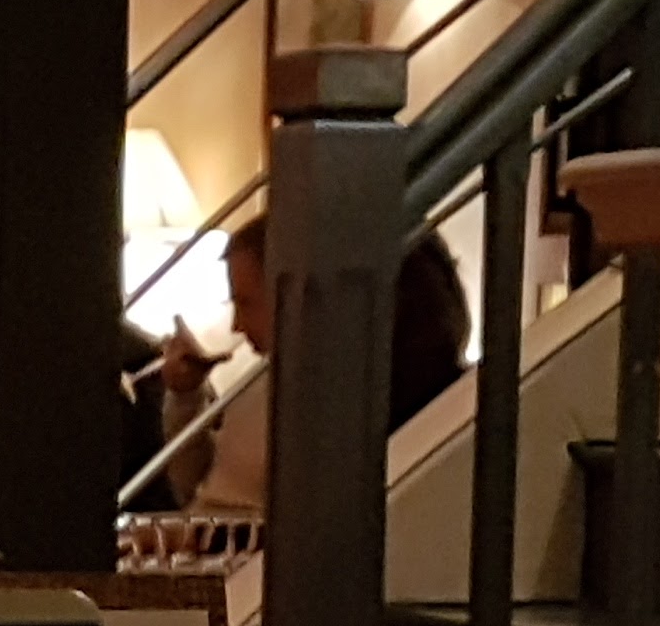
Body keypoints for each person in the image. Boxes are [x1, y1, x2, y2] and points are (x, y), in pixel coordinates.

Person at [155, 216, 475, 513]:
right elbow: (196, 486)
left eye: (246, 303)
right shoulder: (265, 380)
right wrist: (186, 397)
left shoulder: (335, 405)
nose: (237, 325)